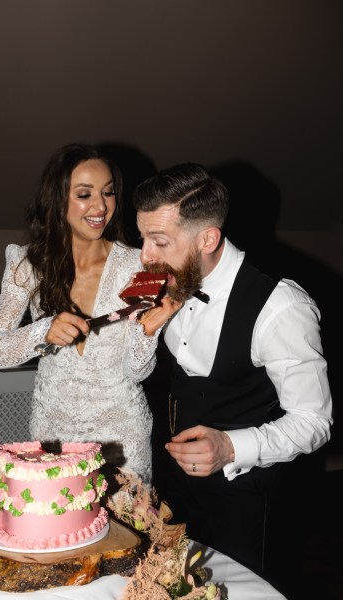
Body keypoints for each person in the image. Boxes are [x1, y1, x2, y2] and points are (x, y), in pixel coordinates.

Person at [130, 162, 333, 598]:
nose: (144, 254)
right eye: (143, 237)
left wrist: (230, 447)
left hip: (247, 497)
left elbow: (315, 422)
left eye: (159, 241)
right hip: (176, 485)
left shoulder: (281, 308)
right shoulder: (170, 277)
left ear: (208, 239)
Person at [0, 143, 159, 487]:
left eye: (108, 193)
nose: (100, 206)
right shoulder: (27, 264)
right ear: (58, 199)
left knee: (123, 537)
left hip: (122, 439)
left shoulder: (141, 266)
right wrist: (41, 332)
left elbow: (139, 370)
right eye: (84, 194)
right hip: (53, 436)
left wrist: (146, 330)